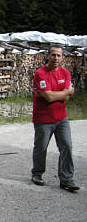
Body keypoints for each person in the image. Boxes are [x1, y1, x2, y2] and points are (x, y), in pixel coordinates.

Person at [31, 45, 79, 191]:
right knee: (41, 148)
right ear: (47, 56)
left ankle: (67, 179)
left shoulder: (65, 73)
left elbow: (68, 97)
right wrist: (63, 93)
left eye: (58, 55)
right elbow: (50, 97)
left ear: (62, 57)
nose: (56, 58)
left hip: (61, 118)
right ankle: (37, 173)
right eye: (53, 55)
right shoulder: (40, 74)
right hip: (43, 118)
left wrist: (52, 95)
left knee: (67, 146)